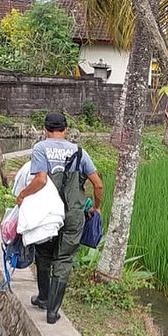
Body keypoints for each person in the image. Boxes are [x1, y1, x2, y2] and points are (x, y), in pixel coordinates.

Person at [16, 112, 104, 324]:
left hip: (48, 214)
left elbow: (41, 179)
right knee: (64, 260)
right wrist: (96, 208)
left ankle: (44, 298)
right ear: (66, 129)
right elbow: (98, 185)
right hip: (74, 214)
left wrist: (22, 195)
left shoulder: (40, 148)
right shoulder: (80, 152)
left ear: (45, 129)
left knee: (44, 255)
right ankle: (53, 312)